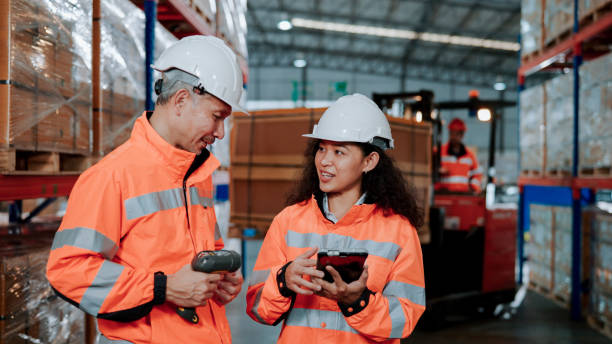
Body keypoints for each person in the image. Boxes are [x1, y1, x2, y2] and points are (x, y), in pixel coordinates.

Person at [46, 35, 246, 343]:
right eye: (216, 117)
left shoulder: (197, 172)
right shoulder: (112, 176)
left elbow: (204, 248)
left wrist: (219, 280)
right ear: (180, 100)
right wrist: (162, 288)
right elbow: (68, 270)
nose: (219, 132)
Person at [245, 94, 426, 343]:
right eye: (321, 149)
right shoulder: (288, 222)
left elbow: (405, 319)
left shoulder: (399, 232)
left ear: (369, 161)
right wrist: (283, 281)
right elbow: (258, 309)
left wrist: (357, 302)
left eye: (339, 152)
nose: (325, 161)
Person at [434, 118, 482, 193]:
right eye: (451, 133)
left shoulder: (469, 155)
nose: (453, 137)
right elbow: (429, 168)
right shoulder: (439, 151)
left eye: (456, 134)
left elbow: (477, 174)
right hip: (443, 194)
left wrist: (473, 187)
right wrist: (437, 170)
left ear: (462, 135)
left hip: (463, 195)